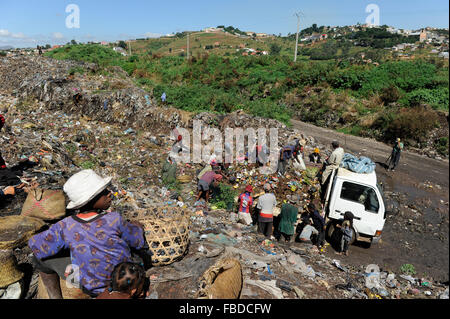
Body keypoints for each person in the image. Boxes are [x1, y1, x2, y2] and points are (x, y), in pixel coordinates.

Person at [28, 170, 149, 298]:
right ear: (91, 199)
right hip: (123, 283)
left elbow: (37, 246)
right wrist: (137, 227)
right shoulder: (114, 219)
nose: (110, 194)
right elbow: (138, 241)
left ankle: (55, 297)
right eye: (104, 193)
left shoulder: (65, 226)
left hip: (88, 287)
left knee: (39, 260)